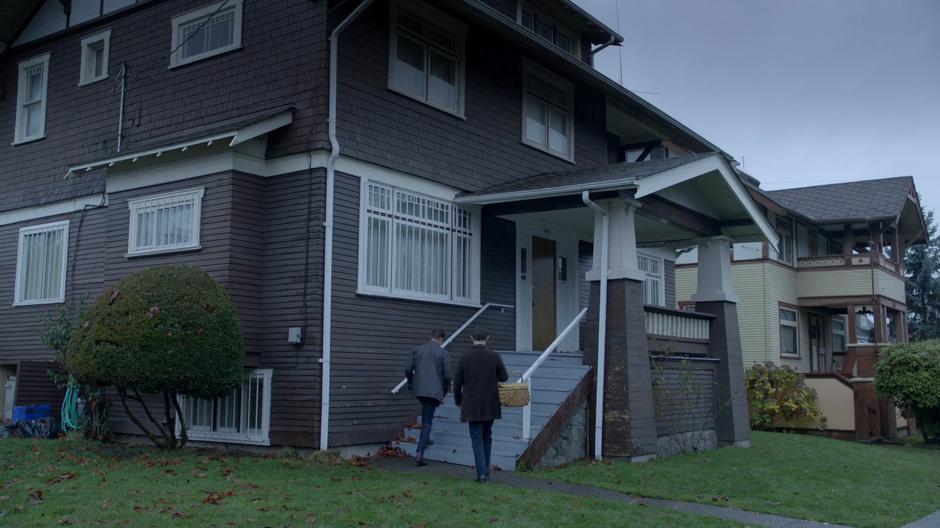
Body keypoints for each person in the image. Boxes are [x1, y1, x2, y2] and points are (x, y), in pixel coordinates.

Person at [452, 329, 508, 483]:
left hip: (471, 404)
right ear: (487, 338)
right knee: (487, 436)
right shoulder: (495, 356)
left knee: (476, 438)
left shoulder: (464, 357)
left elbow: (457, 383)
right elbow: (504, 377)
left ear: (472, 338)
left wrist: (458, 401)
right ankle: (485, 471)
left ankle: (482, 474)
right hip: (490, 403)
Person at [406, 329, 451, 467]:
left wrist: (410, 383)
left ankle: (426, 439)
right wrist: (444, 392)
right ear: (441, 339)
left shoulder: (417, 349)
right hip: (433, 392)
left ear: (430, 337)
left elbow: (408, 369)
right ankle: (420, 453)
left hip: (419, 390)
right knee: (427, 421)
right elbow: (448, 376)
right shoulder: (443, 353)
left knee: (426, 414)